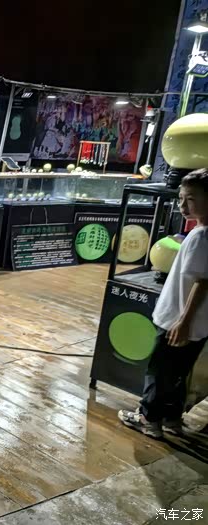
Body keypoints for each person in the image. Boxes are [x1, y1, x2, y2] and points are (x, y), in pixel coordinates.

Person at [118, 169, 208, 438]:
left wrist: (183, 321)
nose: (182, 205)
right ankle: (172, 418)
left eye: (190, 199)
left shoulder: (200, 237)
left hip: (178, 319)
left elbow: (202, 282)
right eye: (181, 198)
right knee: (179, 373)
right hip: (199, 325)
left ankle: (149, 419)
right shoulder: (200, 233)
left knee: (159, 371)